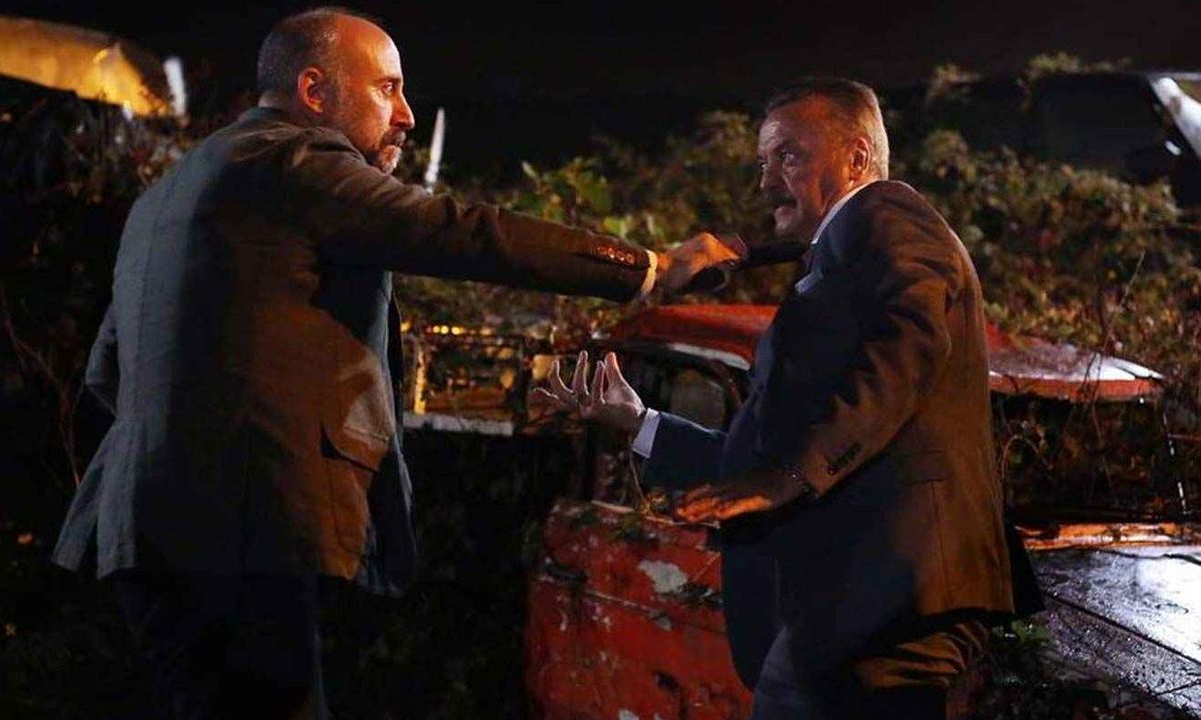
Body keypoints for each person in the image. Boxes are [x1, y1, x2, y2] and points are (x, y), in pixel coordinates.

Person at [49, 8, 736, 719]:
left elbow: (107, 373)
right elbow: (458, 231)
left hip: (139, 527)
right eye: (387, 89)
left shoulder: (166, 195)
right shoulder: (293, 162)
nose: (405, 115)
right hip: (245, 523)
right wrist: (650, 267)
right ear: (314, 91)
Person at [539, 78, 1015, 720]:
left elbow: (906, 354)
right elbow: (758, 457)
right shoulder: (846, 248)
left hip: (893, 594)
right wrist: (639, 422)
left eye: (788, 155)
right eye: (763, 162)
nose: (766, 182)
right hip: (856, 602)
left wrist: (790, 476)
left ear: (856, 157)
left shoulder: (894, 221)